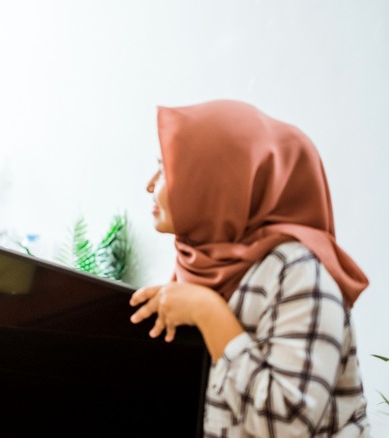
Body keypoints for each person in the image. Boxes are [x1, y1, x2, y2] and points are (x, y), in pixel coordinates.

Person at [129, 100, 371, 436]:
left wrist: (208, 313)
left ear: (216, 182)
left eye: (167, 168)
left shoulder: (299, 272)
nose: (150, 184)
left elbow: (287, 426)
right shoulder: (203, 263)